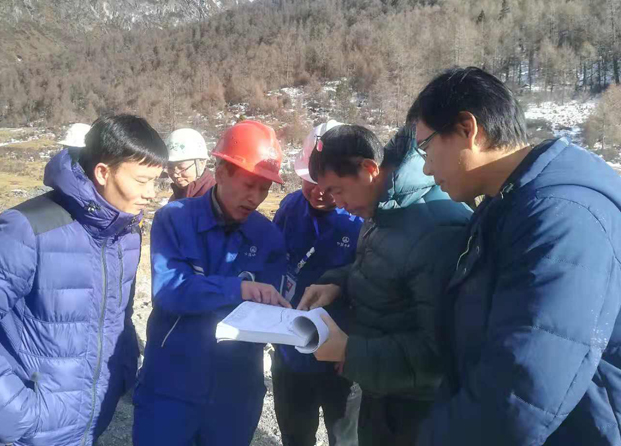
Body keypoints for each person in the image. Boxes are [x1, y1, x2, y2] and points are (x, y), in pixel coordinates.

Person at [407, 67, 621, 446]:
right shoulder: (506, 203)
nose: (425, 168)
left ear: (467, 129)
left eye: (426, 148)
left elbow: (522, 390)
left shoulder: (562, 216)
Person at [0, 115, 168, 446]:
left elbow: (117, 316)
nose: (151, 194)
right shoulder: (26, 229)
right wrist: (17, 416)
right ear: (103, 172)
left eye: (156, 182)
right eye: (142, 181)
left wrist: (122, 374)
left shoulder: (125, 234)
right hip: (29, 431)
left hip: (90, 421)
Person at [298, 124, 471, 446]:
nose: (336, 203)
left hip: (418, 412)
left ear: (368, 169)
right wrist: (337, 283)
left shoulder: (437, 228)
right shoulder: (384, 207)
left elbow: (443, 351)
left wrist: (351, 352)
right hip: (382, 391)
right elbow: (386, 268)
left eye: (338, 190)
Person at [133, 120, 291, 446]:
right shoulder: (175, 219)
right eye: (249, 184)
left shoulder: (269, 237)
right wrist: (237, 289)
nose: (256, 197)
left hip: (235, 392)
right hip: (171, 383)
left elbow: (272, 313)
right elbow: (169, 291)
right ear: (220, 173)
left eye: (264, 188)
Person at [272, 120, 364, 446]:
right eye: (310, 181)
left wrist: (355, 345)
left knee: (345, 437)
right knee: (295, 434)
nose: (318, 191)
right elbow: (273, 261)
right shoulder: (290, 208)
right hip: (290, 347)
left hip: (340, 354)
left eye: (327, 184)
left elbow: (375, 285)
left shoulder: (361, 217)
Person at [166, 128, 215, 201]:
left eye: (181, 168)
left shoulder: (215, 197)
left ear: (201, 163)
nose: (175, 175)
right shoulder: (176, 196)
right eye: (170, 167)